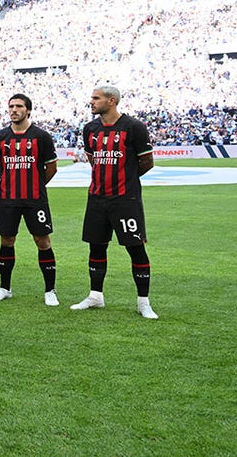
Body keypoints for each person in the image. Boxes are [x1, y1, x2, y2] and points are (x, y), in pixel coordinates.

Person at [72, 85, 159, 319]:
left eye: (96, 98)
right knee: (96, 246)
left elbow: (146, 162)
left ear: (111, 101)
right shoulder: (89, 129)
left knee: (135, 248)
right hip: (97, 199)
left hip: (125, 200)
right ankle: (95, 296)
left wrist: (125, 177)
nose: (91, 102)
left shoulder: (134, 127)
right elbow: (93, 159)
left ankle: (143, 303)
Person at [0, 94, 60, 305]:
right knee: (7, 240)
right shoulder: (0, 137)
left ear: (28, 110)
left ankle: (50, 290)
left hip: (35, 199)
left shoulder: (41, 136)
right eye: (11, 106)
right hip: (8, 199)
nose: (14, 109)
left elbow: (51, 168)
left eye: (19, 106)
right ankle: (5, 287)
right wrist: (11, 181)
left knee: (42, 241)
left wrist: (34, 182)